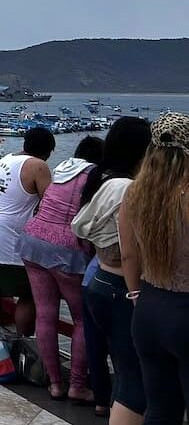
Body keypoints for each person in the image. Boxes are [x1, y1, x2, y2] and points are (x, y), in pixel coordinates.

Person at [73, 117, 151, 425]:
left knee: (118, 363)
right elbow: (133, 250)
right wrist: (137, 293)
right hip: (122, 285)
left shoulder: (102, 179)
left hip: (97, 279)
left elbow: (81, 225)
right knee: (134, 376)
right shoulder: (128, 189)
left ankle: (102, 402)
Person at [19, 135, 104, 402]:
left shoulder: (62, 169)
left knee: (45, 314)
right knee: (82, 318)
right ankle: (78, 384)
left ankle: (55, 383)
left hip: (34, 241)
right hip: (68, 248)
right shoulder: (95, 176)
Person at [120, 112, 189, 425]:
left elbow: (128, 256)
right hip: (184, 311)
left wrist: (135, 294)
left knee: (160, 409)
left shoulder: (135, 194)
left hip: (147, 309)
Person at [0, 127, 56, 335]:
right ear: (48, 151)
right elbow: (51, 203)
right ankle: (24, 343)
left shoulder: (8, 159)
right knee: (28, 294)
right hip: (8, 238)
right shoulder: (38, 166)